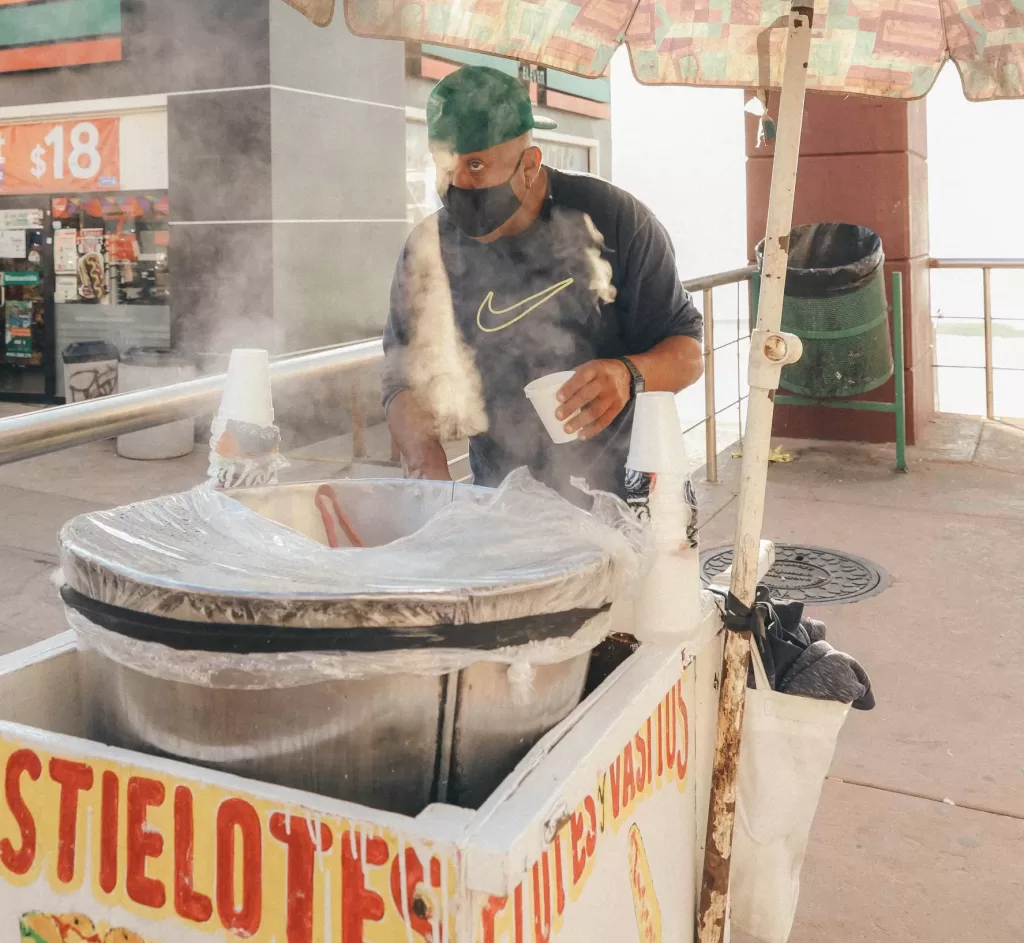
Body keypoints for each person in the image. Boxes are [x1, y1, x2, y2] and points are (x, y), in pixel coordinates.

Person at [382, 65, 703, 501]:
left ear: (529, 165)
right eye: (445, 166)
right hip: (503, 500)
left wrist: (628, 374)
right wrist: (428, 470)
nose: (459, 184)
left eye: (476, 165)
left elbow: (686, 354)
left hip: (629, 497)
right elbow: (402, 382)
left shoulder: (616, 220)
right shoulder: (428, 248)